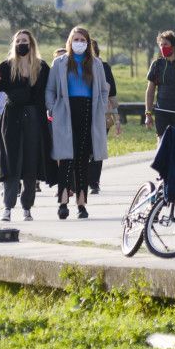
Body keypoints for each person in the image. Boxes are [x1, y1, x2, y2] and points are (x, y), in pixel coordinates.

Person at [0, 29, 51, 222]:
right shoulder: (6, 66)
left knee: (30, 164)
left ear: (31, 44)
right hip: (11, 119)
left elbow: (49, 91)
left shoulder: (42, 67)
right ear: (14, 44)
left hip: (34, 119)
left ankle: (27, 206)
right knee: (11, 164)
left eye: (25, 41)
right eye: (18, 40)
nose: (22, 43)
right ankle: (7, 207)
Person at [46, 26, 110, 220]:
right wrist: (52, 107)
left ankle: (81, 203)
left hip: (89, 110)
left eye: (83, 40)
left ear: (88, 42)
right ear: (70, 41)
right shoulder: (60, 63)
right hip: (66, 110)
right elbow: (50, 90)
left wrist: (102, 106)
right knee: (66, 157)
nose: (79, 43)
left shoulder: (96, 64)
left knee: (83, 158)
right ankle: (63, 201)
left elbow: (104, 89)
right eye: (76, 39)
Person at [87, 39, 120, 195]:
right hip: (82, 112)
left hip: (101, 114)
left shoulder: (105, 67)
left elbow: (112, 95)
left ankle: (94, 182)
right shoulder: (74, 67)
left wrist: (117, 120)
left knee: (97, 147)